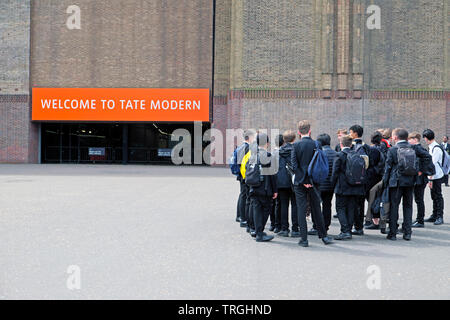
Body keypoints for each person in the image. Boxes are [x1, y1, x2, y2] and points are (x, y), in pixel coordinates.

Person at [383, 128, 430, 241]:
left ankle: (393, 233)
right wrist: (421, 171)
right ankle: (407, 233)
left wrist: (385, 182)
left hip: (396, 182)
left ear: (395, 137)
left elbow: (388, 168)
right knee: (408, 206)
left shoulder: (393, 150)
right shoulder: (413, 148)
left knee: (394, 207)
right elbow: (427, 156)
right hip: (410, 181)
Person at [291, 120, 333, 247]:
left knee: (301, 209)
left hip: (300, 182)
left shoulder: (296, 145)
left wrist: (303, 181)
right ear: (310, 131)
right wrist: (310, 181)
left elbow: (294, 165)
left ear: (299, 132)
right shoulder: (317, 144)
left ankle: (304, 239)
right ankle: (324, 236)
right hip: (315, 181)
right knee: (316, 208)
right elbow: (319, 164)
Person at [349, 124, 383, 235]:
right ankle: (367, 223)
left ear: (354, 133)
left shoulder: (355, 147)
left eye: (350, 132)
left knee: (358, 204)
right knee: (364, 202)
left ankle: (358, 227)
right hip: (367, 179)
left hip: (357, 179)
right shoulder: (367, 147)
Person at [331, 135, 365, 240]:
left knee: (340, 208)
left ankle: (345, 231)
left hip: (342, 187)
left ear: (341, 144)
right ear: (351, 145)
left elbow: (335, 172)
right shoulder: (357, 154)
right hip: (355, 186)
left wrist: (332, 185)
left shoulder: (339, 155)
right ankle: (349, 230)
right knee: (351, 208)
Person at [247, 133, 278, 242]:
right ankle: (260, 233)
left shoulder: (252, 155)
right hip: (265, 188)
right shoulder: (269, 156)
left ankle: (256, 230)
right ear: (267, 143)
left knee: (256, 209)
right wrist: (275, 190)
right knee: (266, 209)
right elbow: (273, 175)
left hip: (254, 186)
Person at [310, 133, 337, 233]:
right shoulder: (335, 153)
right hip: (330, 185)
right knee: (327, 205)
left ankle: (316, 226)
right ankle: (325, 226)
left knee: (316, 205)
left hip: (319, 184)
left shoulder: (318, 153)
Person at [276, 131, 300, 237]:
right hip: (295, 181)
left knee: (283, 205)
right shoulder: (297, 150)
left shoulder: (278, 152)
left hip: (282, 182)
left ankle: (284, 228)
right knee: (295, 205)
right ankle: (295, 229)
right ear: (294, 139)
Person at [408, 132, 433, 228]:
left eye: (410, 139)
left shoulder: (417, 148)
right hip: (420, 179)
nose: (409, 141)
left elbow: (428, 157)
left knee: (419, 200)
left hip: (420, 179)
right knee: (418, 199)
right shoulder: (417, 148)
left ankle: (420, 220)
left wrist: (421, 170)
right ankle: (419, 219)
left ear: (415, 139)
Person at [423, 129, 445, 225]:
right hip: (433, 175)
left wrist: (430, 179)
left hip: (436, 176)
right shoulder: (432, 147)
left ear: (426, 138)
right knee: (434, 196)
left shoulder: (436, 148)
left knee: (438, 196)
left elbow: (432, 165)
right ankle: (434, 215)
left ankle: (439, 216)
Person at [235, 130, 255, 227]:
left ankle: (239, 215)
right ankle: (243, 217)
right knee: (245, 196)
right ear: (249, 137)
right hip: (244, 175)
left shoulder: (241, 147)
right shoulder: (247, 148)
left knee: (242, 195)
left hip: (240, 175)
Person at [269, 134, 283, 232]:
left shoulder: (271, 154)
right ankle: (278, 225)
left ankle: (273, 224)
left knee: (273, 203)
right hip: (280, 181)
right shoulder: (282, 153)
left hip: (272, 181)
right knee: (279, 204)